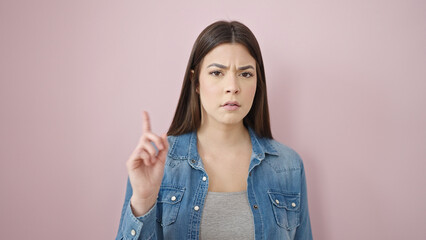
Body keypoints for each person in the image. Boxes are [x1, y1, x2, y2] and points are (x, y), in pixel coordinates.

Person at [115, 20, 313, 240]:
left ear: (258, 84)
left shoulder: (288, 165)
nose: (233, 87)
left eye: (245, 74)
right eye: (217, 73)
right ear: (195, 81)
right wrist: (143, 200)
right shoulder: (157, 162)